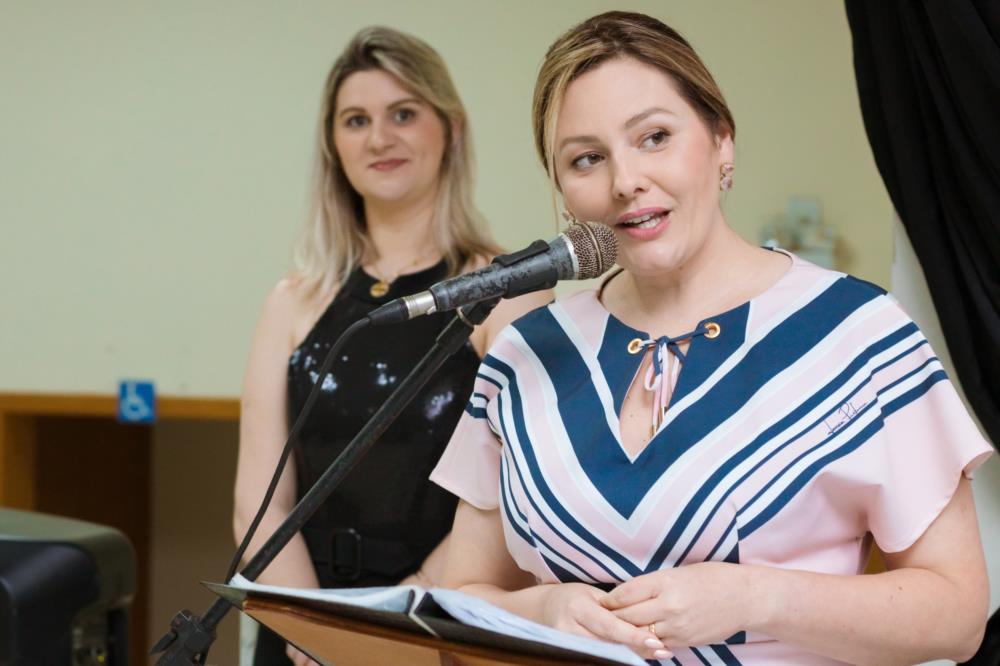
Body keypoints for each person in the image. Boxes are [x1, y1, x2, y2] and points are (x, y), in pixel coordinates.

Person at [432, 11, 993, 665]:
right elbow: (462, 594)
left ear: (721, 140)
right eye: (586, 158)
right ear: (563, 190)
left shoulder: (858, 333)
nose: (624, 180)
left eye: (655, 137)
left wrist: (759, 598)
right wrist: (544, 610)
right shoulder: (524, 355)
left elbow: (957, 615)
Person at [232, 26, 550, 666]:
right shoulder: (292, 301)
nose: (380, 138)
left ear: (451, 130)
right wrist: (311, 634)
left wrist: (403, 618)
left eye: (403, 113)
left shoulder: (506, 292)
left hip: (437, 624)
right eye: (356, 120)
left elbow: (518, 494)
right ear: (334, 145)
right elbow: (256, 508)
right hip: (298, 627)